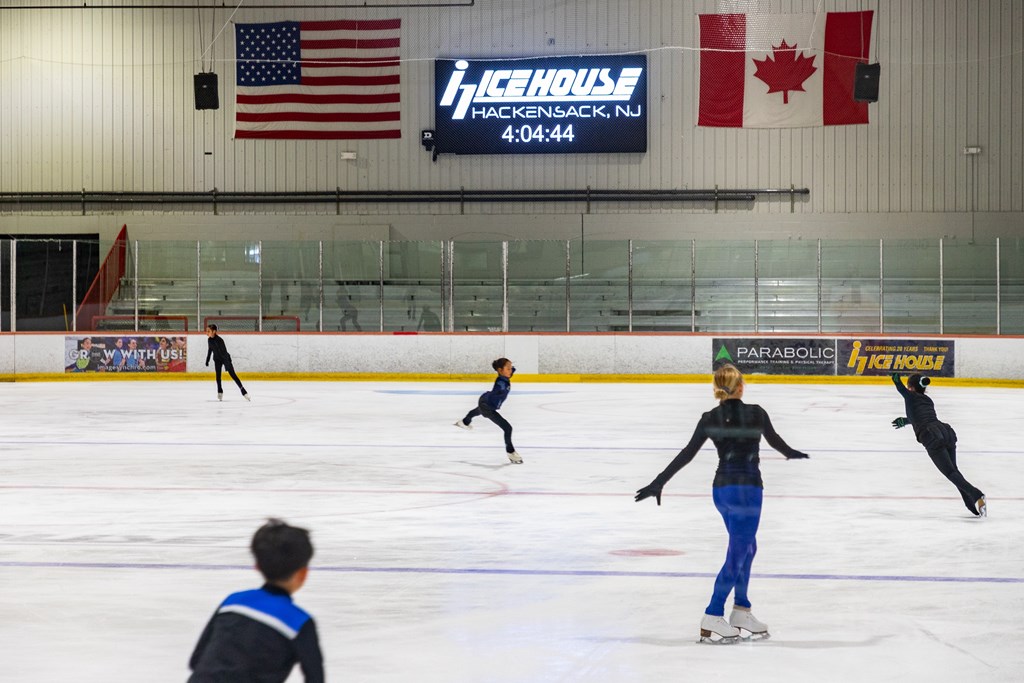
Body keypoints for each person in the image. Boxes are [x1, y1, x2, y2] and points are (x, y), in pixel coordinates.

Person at [635, 363, 808, 644]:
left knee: (747, 547)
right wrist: (795, 454)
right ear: (741, 386)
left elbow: (687, 453)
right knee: (739, 551)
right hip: (747, 491)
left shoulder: (709, 417)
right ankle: (714, 613)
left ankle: (741, 610)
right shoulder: (756, 412)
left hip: (721, 491)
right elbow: (777, 442)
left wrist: (659, 481)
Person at [188, 519, 324, 683]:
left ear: (257, 566)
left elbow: (197, 660)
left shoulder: (232, 603)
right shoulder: (298, 622)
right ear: (303, 573)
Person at [891, 372, 986, 517]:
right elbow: (921, 417)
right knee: (954, 471)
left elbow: (901, 390)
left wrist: (897, 381)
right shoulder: (927, 400)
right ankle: (969, 503)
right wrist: (906, 421)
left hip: (931, 436)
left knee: (950, 473)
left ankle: (976, 494)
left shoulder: (910, 396)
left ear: (911, 388)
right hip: (945, 432)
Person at [454, 357, 522, 464]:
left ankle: (464, 422)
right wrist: (498, 392)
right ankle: (511, 453)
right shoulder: (500, 383)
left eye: (510, 367)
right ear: (500, 370)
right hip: (487, 407)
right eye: (508, 368)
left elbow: (512, 370)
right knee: (508, 428)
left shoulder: (506, 374)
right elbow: (498, 388)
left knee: (477, 411)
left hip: (484, 400)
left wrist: (510, 367)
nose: (511, 370)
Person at [206, 324, 250, 401]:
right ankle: (220, 391)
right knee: (218, 377)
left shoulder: (220, 340)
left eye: (208, 331)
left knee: (233, 375)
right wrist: (207, 359)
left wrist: (227, 365)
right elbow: (210, 349)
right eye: (207, 331)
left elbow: (224, 353)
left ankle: (243, 391)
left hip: (225, 358)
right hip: (217, 359)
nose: (206, 333)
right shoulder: (209, 340)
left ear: (214, 331)